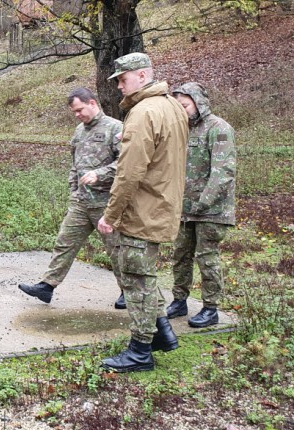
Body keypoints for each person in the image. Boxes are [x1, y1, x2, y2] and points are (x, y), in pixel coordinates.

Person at [96, 52, 189, 373]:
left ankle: (140, 350)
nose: (119, 86)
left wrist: (111, 214)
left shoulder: (142, 113)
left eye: (123, 79)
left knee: (136, 278)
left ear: (142, 75)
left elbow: (129, 173)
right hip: (164, 203)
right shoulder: (172, 106)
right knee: (145, 273)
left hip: (143, 208)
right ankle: (162, 333)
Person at [18, 87, 125, 308]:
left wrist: (100, 174)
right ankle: (47, 286)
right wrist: (73, 189)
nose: (77, 115)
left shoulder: (115, 128)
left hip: (107, 203)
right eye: (74, 112)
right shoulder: (79, 131)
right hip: (81, 202)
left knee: (116, 249)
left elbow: (126, 163)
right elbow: (75, 164)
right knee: (64, 243)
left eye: (79, 110)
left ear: (92, 103)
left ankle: (128, 290)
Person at [166, 82, 236, 328]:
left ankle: (210, 308)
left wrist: (204, 202)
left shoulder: (219, 128)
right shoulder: (180, 130)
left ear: (199, 102)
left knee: (207, 258)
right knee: (180, 256)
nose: (182, 110)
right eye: (178, 106)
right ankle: (179, 300)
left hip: (211, 212)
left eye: (185, 105)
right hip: (184, 209)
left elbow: (223, 172)